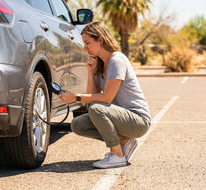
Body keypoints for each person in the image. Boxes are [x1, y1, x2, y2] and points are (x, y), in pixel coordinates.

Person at [57, 21, 151, 169]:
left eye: (88, 43)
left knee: (96, 108)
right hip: (119, 118)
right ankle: (124, 142)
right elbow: (94, 95)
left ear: (100, 40)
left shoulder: (116, 60)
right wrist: (91, 72)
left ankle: (117, 155)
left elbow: (105, 98)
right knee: (77, 125)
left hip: (138, 121)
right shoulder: (101, 64)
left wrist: (74, 97)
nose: (85, 47)